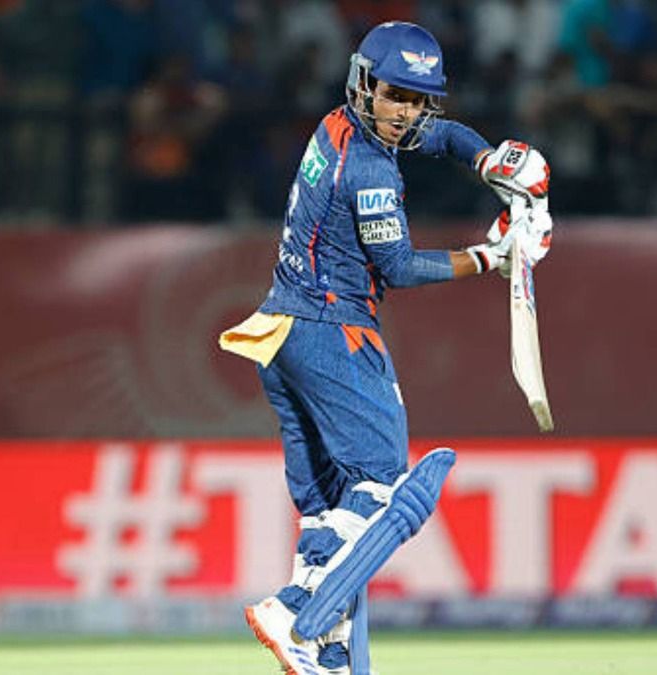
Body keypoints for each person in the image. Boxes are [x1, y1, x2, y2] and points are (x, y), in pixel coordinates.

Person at [218, 21, 552, 675]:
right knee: (383, 488)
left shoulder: (341, 125)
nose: (406, 112)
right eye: (395, 94)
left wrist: (487, 160)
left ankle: (331, 655)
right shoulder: (370, 170)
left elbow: (446, 134)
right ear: (365, 83)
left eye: (417, 98)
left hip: (282, 328)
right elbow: (397, 267)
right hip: (333, 329)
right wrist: (491, 257)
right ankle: (297, 614)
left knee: (327, 509)